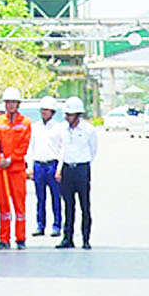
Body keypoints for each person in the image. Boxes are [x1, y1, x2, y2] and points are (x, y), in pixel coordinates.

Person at [0, 86, 32, 249]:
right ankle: (4, 239)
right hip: (0, 169)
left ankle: (20, 238)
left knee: (19, 204)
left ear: (18, 104)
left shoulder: (25, 123)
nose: (10, 105)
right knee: (3, 205)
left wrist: (11, 158)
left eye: (13, 102)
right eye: (8, 102)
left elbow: (24, 145)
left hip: (17, 169)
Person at [55, 96, 97, 250]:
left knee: (84, 205)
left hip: (82, 169)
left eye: (70, 114)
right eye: (66, 114)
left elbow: (93, 150)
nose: (68, 117)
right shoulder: (62, 129)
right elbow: (60, 149)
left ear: (78, 115)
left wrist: (83, 164)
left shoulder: (88, 130)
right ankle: (68, 238)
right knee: (68, 205)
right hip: (67, 169)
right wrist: (59, 169)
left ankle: (86, 238)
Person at [26, 95, 64, 238]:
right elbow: (30, 148)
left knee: (55, 197)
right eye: (42, 109)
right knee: (40, 198)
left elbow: (62, 149)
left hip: (52, 164)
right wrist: (30, 167)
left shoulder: (58, 128)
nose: (44, 112)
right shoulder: (35, 127)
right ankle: (40, 225)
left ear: (52, 112)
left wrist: (59, 169)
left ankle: (57, 225)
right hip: (38, 165)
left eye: (47, 110)